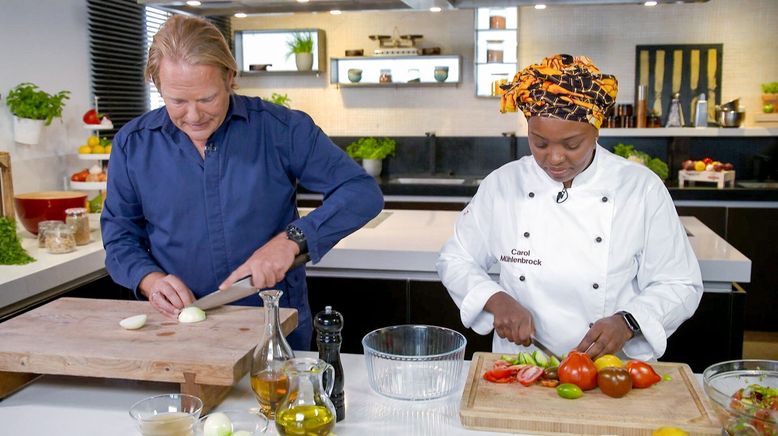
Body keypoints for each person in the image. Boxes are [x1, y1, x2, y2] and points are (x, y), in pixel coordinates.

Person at [101, 15, 383, 350]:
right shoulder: (133, 144)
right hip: (178, 332)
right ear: (158, 86)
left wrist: (292, 240)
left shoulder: (281, 129)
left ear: (230, 78)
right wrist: (149, 279)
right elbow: (119, 236)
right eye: (177, 101)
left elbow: (362, 193)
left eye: (207, 99)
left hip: (276, 328)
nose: (193, 116)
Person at [436, 54, 702, 362]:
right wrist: (494, 299)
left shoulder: (640, 188)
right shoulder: (503, 185)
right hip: (521, 363)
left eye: (572, 145)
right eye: (539, 143)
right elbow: (455, 259)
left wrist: (629, 321)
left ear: (596, 131)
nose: (555, 158)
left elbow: (679, 282)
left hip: (610, 368)